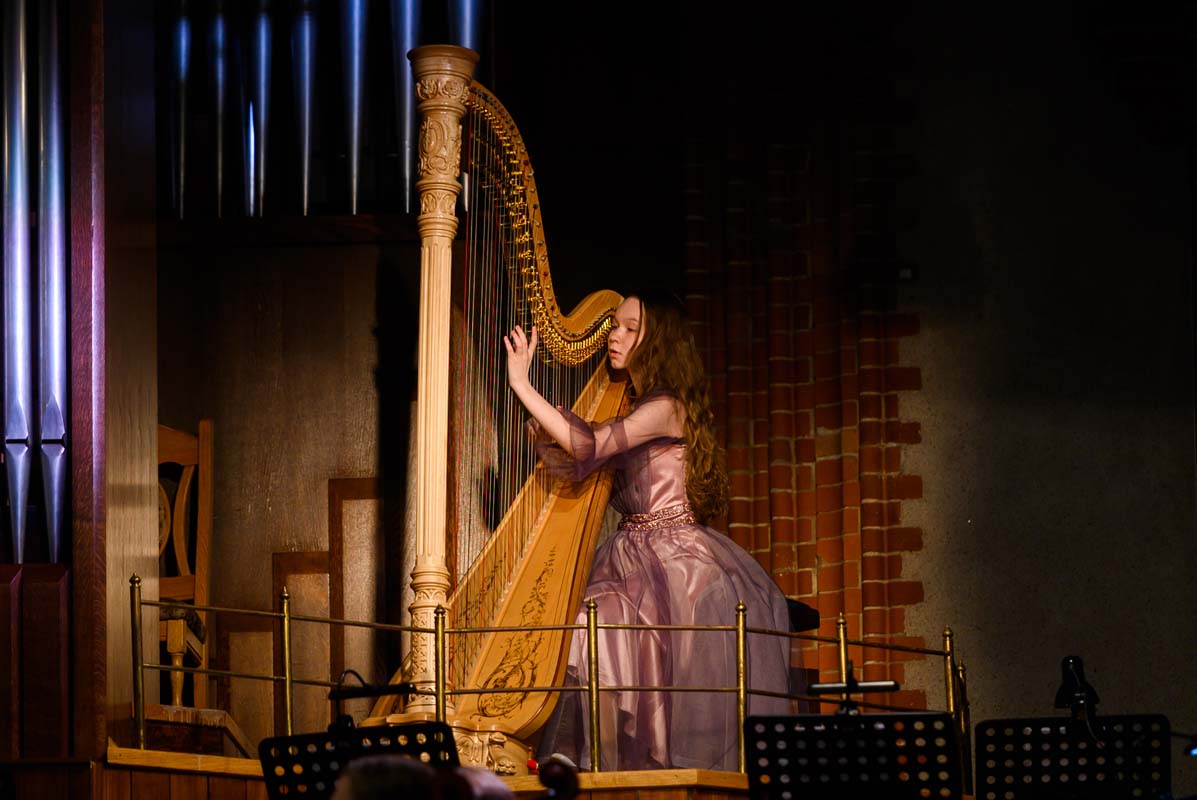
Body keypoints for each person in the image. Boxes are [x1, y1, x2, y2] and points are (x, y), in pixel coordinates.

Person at [503, 288, 793, 772]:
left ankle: (605, 764)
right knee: (588, 625)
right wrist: (544, 434)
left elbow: (588, 447)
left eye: (630, 328)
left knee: (597, 624)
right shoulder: (635, 406)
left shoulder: (666, 407)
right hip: (631, 554)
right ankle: (595, 765)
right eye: (614, 325)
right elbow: (581, 464)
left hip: (676, 562)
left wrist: (522, 384)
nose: (614, 335)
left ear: (659, 341)